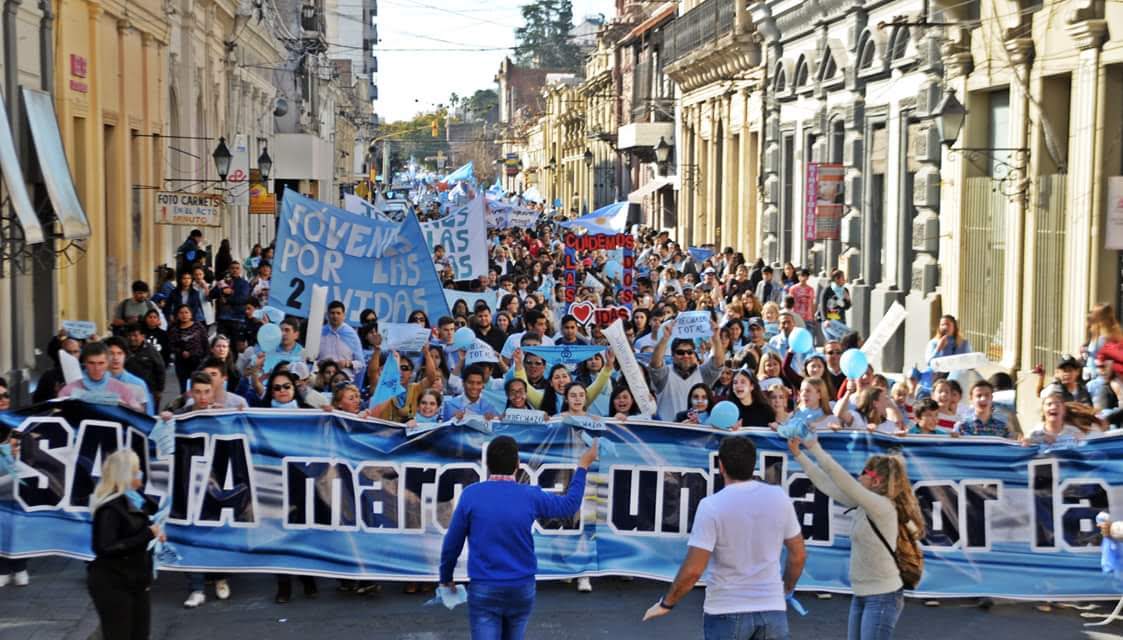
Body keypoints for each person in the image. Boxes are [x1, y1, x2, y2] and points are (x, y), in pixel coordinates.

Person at [642, 437, 806, 640]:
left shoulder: (711, 506)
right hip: (772, 608)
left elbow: (693, 570)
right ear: (754, 464)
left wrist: (667, 603)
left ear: (721, 465)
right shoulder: (779, 497)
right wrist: (786, 590)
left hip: (726, 609)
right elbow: (798, 555)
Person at [439, 435, 598, 640]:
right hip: (521, 587)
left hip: (484, 587)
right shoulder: (530, 495)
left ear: (487, 463)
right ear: (518, 465)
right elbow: (569, 505)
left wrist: (446, 578)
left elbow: (452, 544)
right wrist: (583, 465)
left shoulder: (471, 495)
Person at [788, 437, 925, 640]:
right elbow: (826, 484)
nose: (859, 477)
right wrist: (799, 455)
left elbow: (843, 480)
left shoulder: (882, 507)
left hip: (882, 597)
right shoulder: (865, 503)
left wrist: (815, 449)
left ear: (876, 480)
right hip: (861, 594)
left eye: (864, 473)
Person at [87, 448, 163, 640]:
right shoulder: (109, 509)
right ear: (126, 474)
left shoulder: (136, 499)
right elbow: (104, 547)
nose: (141, 473)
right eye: (137, 469)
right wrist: (147, 534)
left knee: (139, 634)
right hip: (113, 582)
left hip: (136, 579)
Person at [649, 318, 725, 420]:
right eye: (680, 352)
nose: (686, 355)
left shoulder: (703, 374)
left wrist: (716, 338)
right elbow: (655, 364)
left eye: (690, 352)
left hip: (694, 432)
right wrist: (665, 338)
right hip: (667, 432)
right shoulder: (665, 374)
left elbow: (719, 363)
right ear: (672, 355)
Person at [57, 342, 145, 411]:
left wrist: (122, 404)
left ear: (108, 363)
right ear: (85, 363)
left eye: (101, 363)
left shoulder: (121, 389)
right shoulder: (69, 390)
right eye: (91, 363)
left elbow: (140, 413)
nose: (96, 368)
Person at [104, 337, 153, 414]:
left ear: (125, 356)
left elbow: (149, 416)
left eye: (119, 353)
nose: (115, 358)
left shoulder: (138, 384)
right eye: (111, 353)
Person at [953, 380, 1018, 439]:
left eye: (987, 395)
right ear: (971, 398)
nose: (983, 399)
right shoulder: (962, 426)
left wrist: (1021, 440)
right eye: (979, 396)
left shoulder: (1004, 426)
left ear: (992, 398)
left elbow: (1014, 443)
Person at [319, 301, 366, 381]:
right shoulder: (321, 332)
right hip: (323, 380)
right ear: (327, 315)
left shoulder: (351, 334)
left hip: (344, 380)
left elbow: (361, 364)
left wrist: (347, 363)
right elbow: (312, 359)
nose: (335, 316)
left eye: (338, 313)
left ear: (344, 315)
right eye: (332, 313)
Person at [168, 304, 209, 394]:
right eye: (181, 313)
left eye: (186, 312)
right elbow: (171, 346)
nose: (184, 315)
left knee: (198, 387)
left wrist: (206, 359)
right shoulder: (174, 329)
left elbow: (205, 343)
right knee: (184, 389)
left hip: (198, 362)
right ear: (177, 315)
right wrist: (181, 352)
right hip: (182, 363)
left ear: (191, 314)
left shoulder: (199, 326)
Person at [124, 324, 166, 400]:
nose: (132, 338)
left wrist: (159, 390)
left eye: (135, 335)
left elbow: (160, 369)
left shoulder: (151, 351)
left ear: (143, 336)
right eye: (129, 335)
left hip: (148, 391)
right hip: (127, 390)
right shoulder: (123, 350)